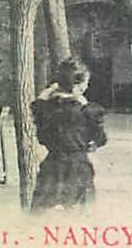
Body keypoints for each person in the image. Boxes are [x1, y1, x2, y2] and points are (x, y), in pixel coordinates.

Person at [31, 57, 107, 209]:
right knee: (80, 218)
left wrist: (50, 90)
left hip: (52, 167)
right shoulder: (88, 111)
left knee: (41, 216)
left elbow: (37, 107)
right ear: (79, 85)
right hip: (79, 168)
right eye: (86, 83)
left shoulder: (45, 109)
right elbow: (100, 139)